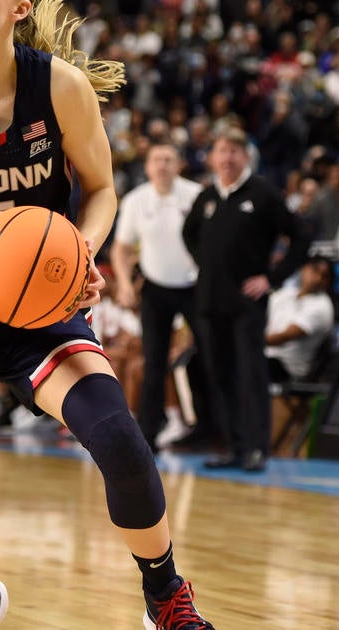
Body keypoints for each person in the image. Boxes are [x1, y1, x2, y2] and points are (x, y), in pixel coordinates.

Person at [0, 2, 212, 628]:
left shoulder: (59, 86)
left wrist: (83, 248)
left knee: (118, 440)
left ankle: (165, 597)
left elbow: (103, 189)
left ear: (19, 6)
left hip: (41, 299)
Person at [182, 126, 308, 473]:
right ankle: (233, 447)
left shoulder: (263, 193)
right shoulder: (207, 197)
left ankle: (257, 449)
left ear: (245, 156)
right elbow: (188, 233)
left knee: (250, 375)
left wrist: (272, 278)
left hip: (246, 305)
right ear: (213, 157)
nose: (227, 158)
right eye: (222, 151)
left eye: (234, 151)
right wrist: (205, 263)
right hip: (209, 303)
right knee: (220, 375)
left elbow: (300, 237)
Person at [111, 143, 203, 450]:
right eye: (156, 160)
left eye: (168, 159)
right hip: (155, 288)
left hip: (195, 287)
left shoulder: (195, 195)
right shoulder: (137, 200)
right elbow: (122, 248)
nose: (162, 165)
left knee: (209, 357)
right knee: (153, 362)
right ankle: (147, 436)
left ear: (179, 165)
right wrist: (124, 283)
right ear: (147, 167)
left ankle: (208, 431)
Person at [264, 257, 334, 383]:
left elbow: (284, 337)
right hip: (265, 358)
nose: (318, 279)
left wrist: (248, 343)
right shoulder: (285, 294)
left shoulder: (322, 306)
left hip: (287, 369)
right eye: (315, 271)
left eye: (324, 276)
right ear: (304, 268)